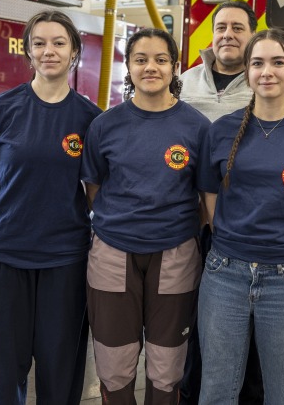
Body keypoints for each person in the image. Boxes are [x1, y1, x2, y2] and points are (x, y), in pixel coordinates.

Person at [0, 10, 100, 404]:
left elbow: (94, 193)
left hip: (65, 257)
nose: (48, 51)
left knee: (61, 364)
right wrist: (9, 221)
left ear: (74, 52)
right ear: (28, 51)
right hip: (4, 254)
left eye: (59, 43)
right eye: (39, 43)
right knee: (3, 364)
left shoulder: (91, 119)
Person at [179, 0, 284, 405]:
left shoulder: (280, 88)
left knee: (260, 353)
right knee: (203, 339)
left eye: (238, 28)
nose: (228, 35)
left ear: (252, 36)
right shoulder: (184, 83)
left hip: (248, 236)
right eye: (221, 27)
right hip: (191, 228)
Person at [197, 29, 284, 404]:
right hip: (224, 274)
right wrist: (232, 239)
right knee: (216, 389)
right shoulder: (221, 131)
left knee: (283, 391)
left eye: (278, 62)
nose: (267, 72)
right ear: (247, 71)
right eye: (258, 63)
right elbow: (210, 200)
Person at [81, 28, 210, 404]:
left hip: (176, 254)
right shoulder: (105, 125)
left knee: (167, 367)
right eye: (141, 59)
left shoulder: (198, 127)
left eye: (160, 59)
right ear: (128, 67)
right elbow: (94, 190)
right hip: (112, 253)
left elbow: (206, 198)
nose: (150, 67)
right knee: (114, 364)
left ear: (175, 67)